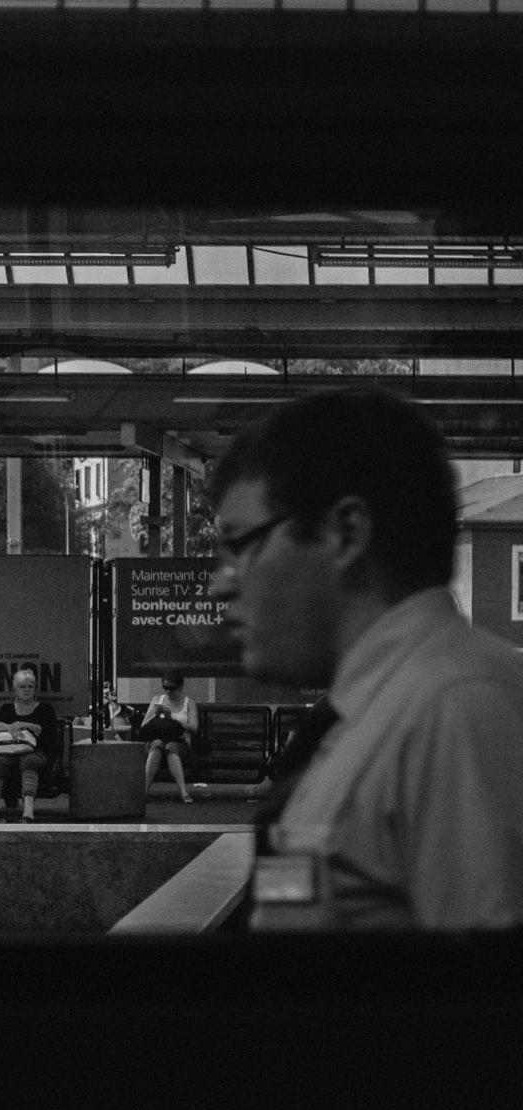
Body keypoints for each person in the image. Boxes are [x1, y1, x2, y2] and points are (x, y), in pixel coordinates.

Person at [210, 387, 523, 929]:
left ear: (346, 532)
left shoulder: (459, 711)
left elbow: (488, 1001)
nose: (220, 584)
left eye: (241, 544)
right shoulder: (374, 714)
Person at [0, 667, 57, 823]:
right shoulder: (7, 708)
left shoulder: (45, 709)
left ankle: (28, 809)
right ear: (15, 689)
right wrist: (11, 727)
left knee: (29, 761)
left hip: (36, 751)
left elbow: (45, 731)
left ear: (35, 689)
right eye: (22, 686)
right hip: (9, 750)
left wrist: (22, 724)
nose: (27, 690)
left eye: (30, 686)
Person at [141, 672, 198, 804]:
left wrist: (173, 719)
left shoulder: (188, 703)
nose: (168, 692)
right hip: (157, 738)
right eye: (165, 688)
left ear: (180, 687)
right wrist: (155, 716)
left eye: (172, 689)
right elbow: (144, 725)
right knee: (157, 744)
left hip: (180, 741)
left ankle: (184, 792)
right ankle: (144, 791)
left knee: (170, 747)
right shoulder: (157, 700)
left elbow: (194, 728)